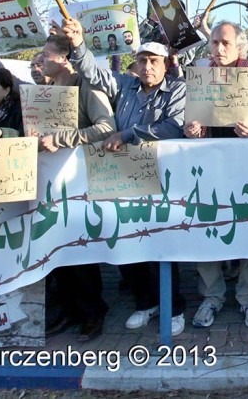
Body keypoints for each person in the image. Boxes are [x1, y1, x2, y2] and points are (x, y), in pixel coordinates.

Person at [63, 18, 188, 337]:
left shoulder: (177, 90)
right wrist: (78, 43)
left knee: (162, 241)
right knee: (126, 238)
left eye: (154, 61)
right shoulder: (124, 86)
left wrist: (127, 133)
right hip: (121, 177)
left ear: (165, 66)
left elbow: (172, 127)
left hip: (160, 178)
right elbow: (92, 72)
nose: (147, 66)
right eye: (143, 60)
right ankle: (145, 302)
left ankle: (173, 307)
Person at [183, 21, 248, 329]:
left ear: (240, 48)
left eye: (225, 43)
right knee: (207, 227)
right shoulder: (200, 76)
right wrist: (191, 130)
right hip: (207, 170)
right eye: (215, 42)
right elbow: (189, 119)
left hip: (246, 171)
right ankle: (211, 297)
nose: (218, 49)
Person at [39, 31, 117, 341]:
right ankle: (68, 311)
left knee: (80, 251)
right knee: (56, 252)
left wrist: (60, 139)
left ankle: (92, 315)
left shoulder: (87, 88)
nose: (41, 60)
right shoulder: (46, 90)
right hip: (50, 186)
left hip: (80, 182)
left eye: (46, 55)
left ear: (62, 58)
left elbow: (105, 128)